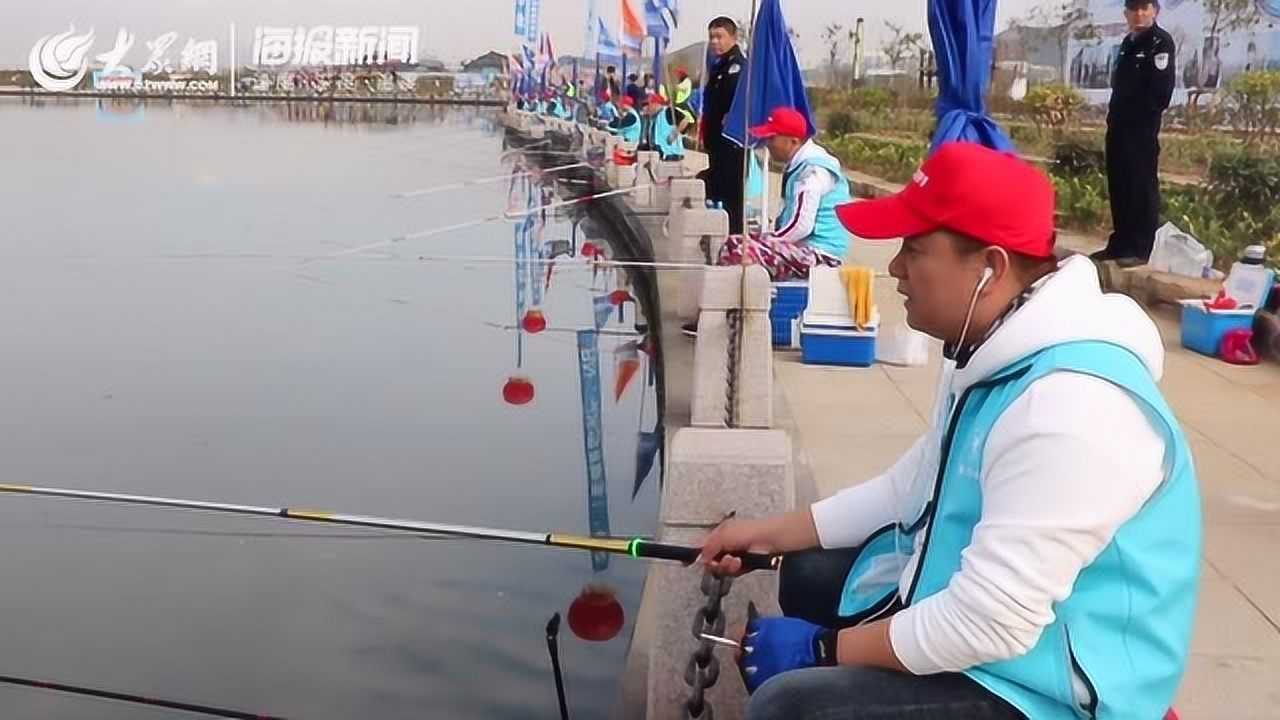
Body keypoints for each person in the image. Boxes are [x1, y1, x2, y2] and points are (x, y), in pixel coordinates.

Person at [700, 142, 1200, 720]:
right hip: (1006, 639)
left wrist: (820, 649)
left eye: (913, 250)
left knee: (792, 707)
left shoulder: (1072, 406)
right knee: (810, 574)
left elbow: (990, 620)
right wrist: (764, 534)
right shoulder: (988, 348)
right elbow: (909, 488)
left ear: (989, 267)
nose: (893, 269)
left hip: (1053, 689)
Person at [716, 107, 851, 280]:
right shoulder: (802, 166)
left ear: (793, 141)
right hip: (803, 249)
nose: (767, 144)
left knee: (742, 252)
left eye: (772, 138)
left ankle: (746, 302)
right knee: (734, 242)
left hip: (819, 254)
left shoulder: (812, 173)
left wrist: (768, 239)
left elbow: (801, 226)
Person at [1092, 0, 1175, 265]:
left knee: (1140, 186)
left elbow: (1160, 92)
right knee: (1120, 185)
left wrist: (1139, 118)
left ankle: (1139, 248)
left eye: (1144, 8)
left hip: (1141, 129)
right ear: (1126, 13)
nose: (1138, 14)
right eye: (1133, 9)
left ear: (1155, 11)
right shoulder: (1129, 43)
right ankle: (1121, 243)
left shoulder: (1159, 43)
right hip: (1118, 127)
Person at [700, 16, 747, 234]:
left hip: (731, 143)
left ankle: (734, 239)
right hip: (717, 142)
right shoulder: (719, 66)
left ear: (733, 37)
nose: (715, 42)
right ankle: (721, 237)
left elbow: (736, 104)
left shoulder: (737, 67)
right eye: (712, 37)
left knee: (731, 197)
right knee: (717, 191)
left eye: (719, 37)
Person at [641, 92, 685, 161]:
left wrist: (674, 134)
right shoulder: (652, 118)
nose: (645, 108)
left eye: (647, 105)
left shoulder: (667, 111)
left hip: (672, 154)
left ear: (655, 104)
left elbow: (685, 120)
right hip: (659, 153)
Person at [672, 67, 697, 137]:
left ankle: (684, 132)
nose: (677, 77)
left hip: (682, 103)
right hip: (678, 103)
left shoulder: (687, 81)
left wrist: (674, 85)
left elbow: (681, 87)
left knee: (691, 117)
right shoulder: (681, 81)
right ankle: (680, 132)